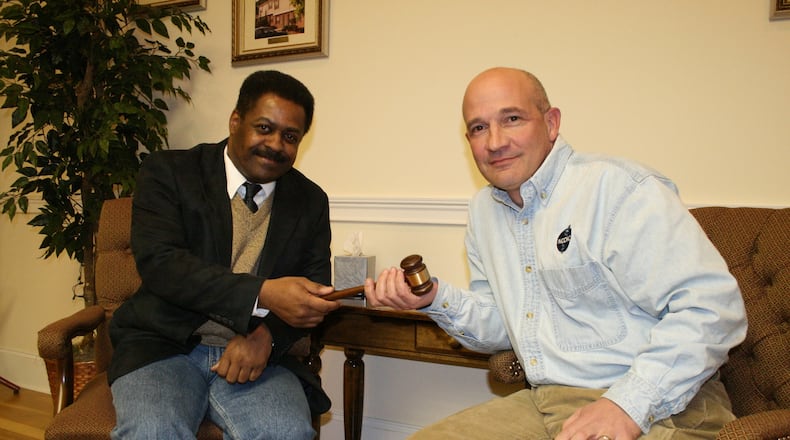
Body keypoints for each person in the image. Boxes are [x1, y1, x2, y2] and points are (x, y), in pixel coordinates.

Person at [364, 67, 748, 440]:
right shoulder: (484, 212)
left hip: (661, 405)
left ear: (551, 123)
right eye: (479, 128)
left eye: (512, 119)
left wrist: (626, 404)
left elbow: (712, 309)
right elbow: (503, 326)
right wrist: (433, 298)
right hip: (546, 402)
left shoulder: (619, 190)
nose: (495, 141)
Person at [108, 70, 340, 440]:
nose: (275, 144)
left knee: (288, 434)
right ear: (235, 121)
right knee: (152, 432)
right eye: (264, 127)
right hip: (162, 346)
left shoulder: (310, 201)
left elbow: (314, 294)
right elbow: (162, 264)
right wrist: (262, 292)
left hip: (257, 358)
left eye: (290, 136)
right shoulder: (169, 172)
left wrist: (265, 340)